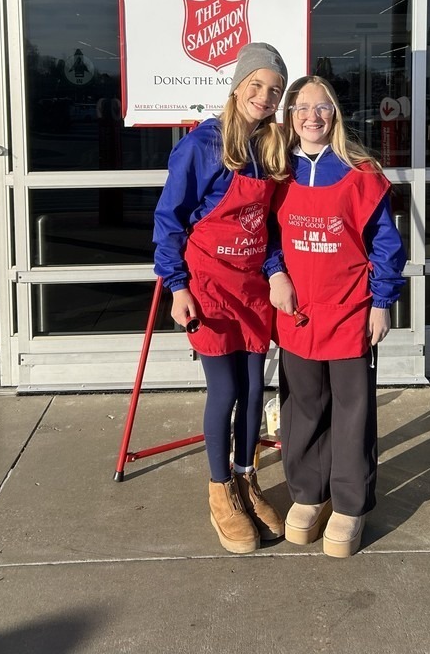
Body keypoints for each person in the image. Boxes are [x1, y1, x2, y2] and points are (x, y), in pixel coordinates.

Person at [153, 42, 289, 554]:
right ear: (236, 85)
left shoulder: (273, 147)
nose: (264, 95)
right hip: (208, 286)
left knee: (256, 389)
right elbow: (169, 220)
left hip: (253, 288)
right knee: (226, 389)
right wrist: (177, 285)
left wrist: (276, 271)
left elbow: (271, 226)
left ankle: (246, 478)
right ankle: (219, 493)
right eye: (256, 84)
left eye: (274, 89)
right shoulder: (202, 146)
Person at [267, 75, 406, 558]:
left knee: (352, 412)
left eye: (321, 107)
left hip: (350, 311)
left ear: (335, 114)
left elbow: (387, 245)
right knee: (302, 407)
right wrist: (274, 273)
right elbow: (265, 236)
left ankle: (350, 503)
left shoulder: (361, 172)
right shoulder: (277, 172)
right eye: (302, 107)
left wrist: (382, 301)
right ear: (290, 117)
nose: (312, 116)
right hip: (298, 314)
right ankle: (308, 493)